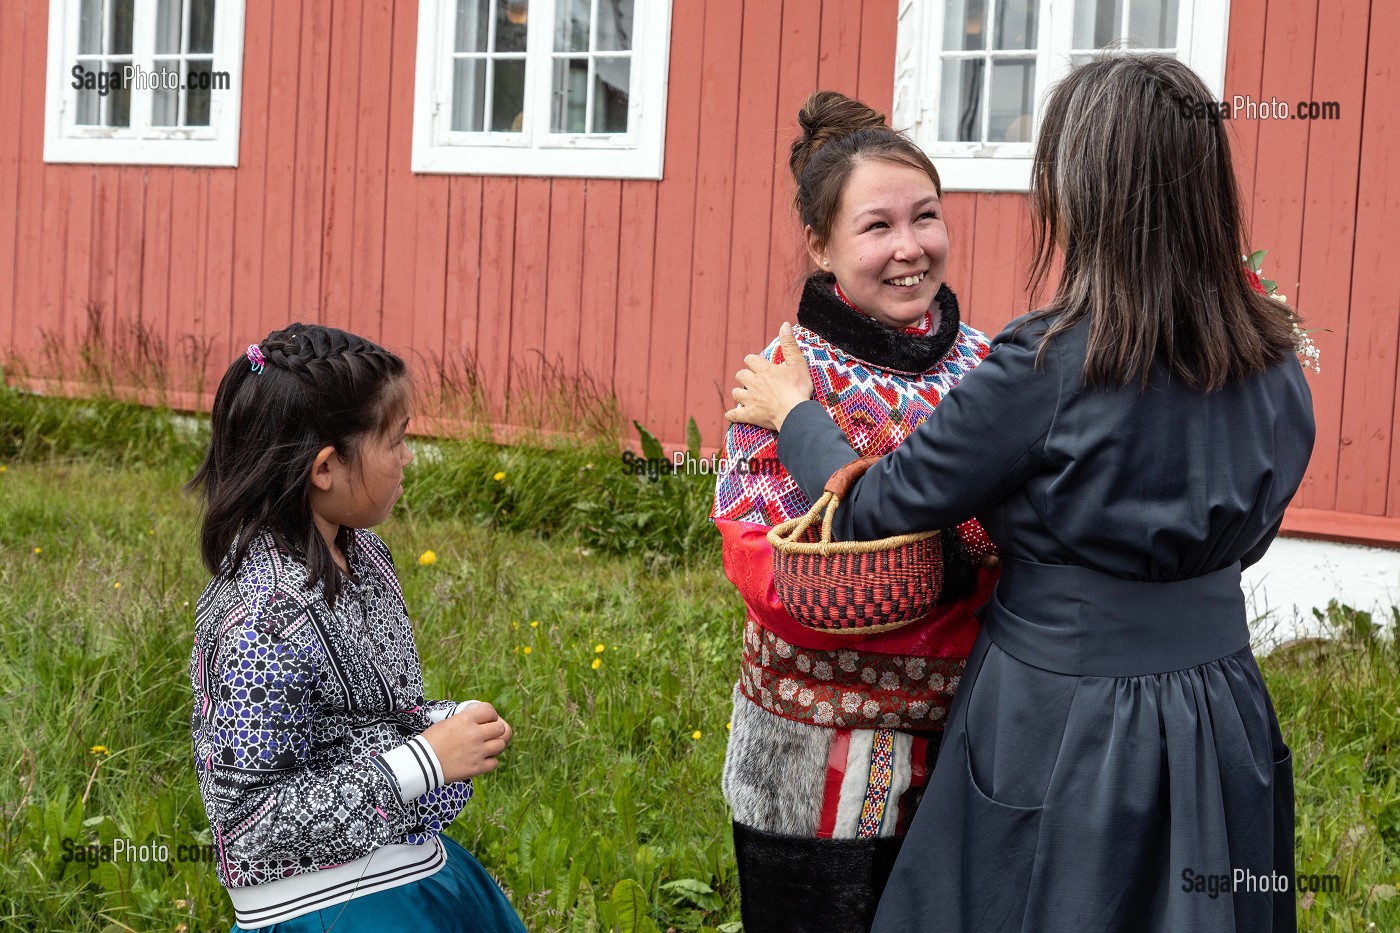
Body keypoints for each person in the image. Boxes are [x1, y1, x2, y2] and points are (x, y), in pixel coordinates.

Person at [726, 55, 1315, 933]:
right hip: (1216, 707)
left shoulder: (1048, 364)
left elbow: (872, 510)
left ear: (1087, 194)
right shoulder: (1275, 358)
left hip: (1065, 716)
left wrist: (799, 415)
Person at [712, 90, 1000, 932]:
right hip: (811, 772)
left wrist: (917, 539)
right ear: (821, 243)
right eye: (877, 227)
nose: (910, 249)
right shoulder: (783, 378)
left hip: (967, 755)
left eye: (926, 217)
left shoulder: (990, 364)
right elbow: (771, 574)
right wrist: (963, 551)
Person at [187, 324, 526, 933]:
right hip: (330, 911)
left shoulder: (366, 556)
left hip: (414, 877)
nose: (408, 456)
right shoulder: (260, 620)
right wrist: (425, 762)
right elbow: (252, 824)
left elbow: (363, 721)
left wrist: (443, 723)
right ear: (325, 469)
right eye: (395, 440)